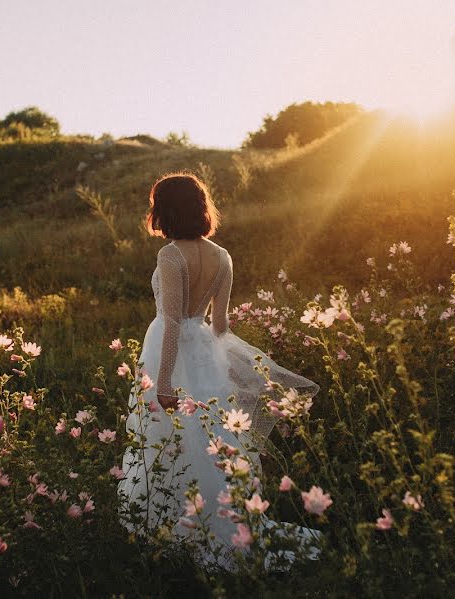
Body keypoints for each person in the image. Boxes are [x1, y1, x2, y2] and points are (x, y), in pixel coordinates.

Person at [118, 173, 319, 566]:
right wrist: (215, 358)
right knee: (211, 437)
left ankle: (175, 524)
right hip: (206, 352)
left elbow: (172, 321)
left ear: (165, 211)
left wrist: (163, 382)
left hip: (168, 351)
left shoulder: (171, 255)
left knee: (168, 437)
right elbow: (221, 325)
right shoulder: (222, 256)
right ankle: (220, 518)